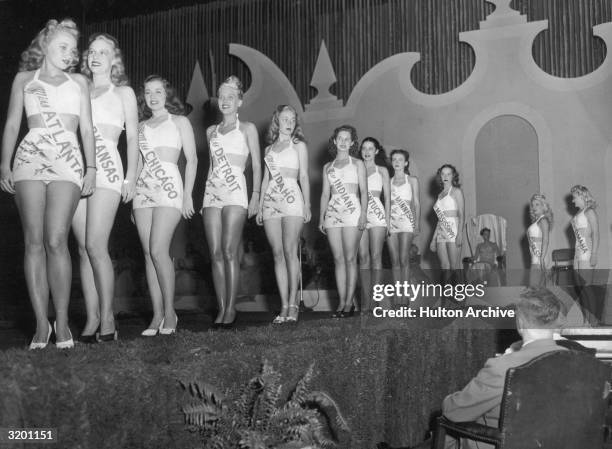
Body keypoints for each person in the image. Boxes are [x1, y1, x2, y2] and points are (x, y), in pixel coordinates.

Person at [0, 19, 96, 349]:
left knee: (56, 239)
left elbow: (86, 130)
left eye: (73, 49)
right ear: (45, 45)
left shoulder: (79, 81)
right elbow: (13, 124)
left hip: (68, 159)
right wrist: (4, 163)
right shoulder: (25, 80)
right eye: (63, 47)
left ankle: (63, 320)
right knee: (33, 241)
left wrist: (92, 167)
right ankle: (42, 324)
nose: (70, 54)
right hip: (28, 159)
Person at [411, 287, 568, 449]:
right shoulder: (577, 361)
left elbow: (453, 411)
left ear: (519, 322)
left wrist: (447, 402)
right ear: (554, 321)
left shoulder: (504, 367)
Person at [71, 33, 138, 343]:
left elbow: (134, 139)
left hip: (108, 170)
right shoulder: (77, 89)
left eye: (103, 52)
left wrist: (132, 177)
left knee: (97, 245)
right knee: (83, 248)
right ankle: (92, 317)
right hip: (76, 171)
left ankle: (109, 317)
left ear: (115, 59)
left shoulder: (122, 92)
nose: (95, 56)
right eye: (92, 51)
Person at [133, 75, 197, 336]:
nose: (153, 96)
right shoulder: (140, 127)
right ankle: (157, 313)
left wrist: (189, 195)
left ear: (166, 94)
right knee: (148, 253)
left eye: (158, 91)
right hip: (143, 191)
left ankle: (170, 312)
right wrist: (132, 192)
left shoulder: (179, 121)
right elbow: (138, 163)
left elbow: (191, 160)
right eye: (148, 92)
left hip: (170, 187)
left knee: (159, 250)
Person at [202, 76, 261, 327]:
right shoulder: (210, 132)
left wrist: (256, 195)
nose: (225, 101)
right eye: (221, 97)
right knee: (215, 253)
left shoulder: (247, 128)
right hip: (212, 193)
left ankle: (232, 308)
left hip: (236, 192)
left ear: (239, 101)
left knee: (229, 250)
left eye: (230, 97)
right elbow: (212, 167)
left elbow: (257, 165)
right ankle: (222, 307)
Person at [256, 105, 310, 324]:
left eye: (292, 119)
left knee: (290, 251)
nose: (289, 122)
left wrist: (307, 205)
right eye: (284, 118)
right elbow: (266, 179)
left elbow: (304, 176)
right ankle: (284, 305)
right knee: (277, 253)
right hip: (271, 201)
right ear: (277, 120)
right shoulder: (268, 150)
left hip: (292, 199)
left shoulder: (298, 145)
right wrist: (260, 206)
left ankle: (294, 302)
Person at [319, 125, 367, 317]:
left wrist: (363, 213)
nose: (344, 141)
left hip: (352, 212)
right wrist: (322, 217)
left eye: (348, 139)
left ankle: (349, 303)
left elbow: (364, 191)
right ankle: (341, 302)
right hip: (332, 213)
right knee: (338, 259)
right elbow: (324, 194)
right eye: (340, 138)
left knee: (349, 258)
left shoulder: (357, 164)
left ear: (353, 143)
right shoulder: (327, 167)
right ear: (334, 140)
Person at [357, 137, 390, 311]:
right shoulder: (355, 168)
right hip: (359, 214)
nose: (367, 151)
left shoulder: (382, 170)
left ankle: (375, 300)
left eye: (371, 148)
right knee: (363, 257)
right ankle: (365, 299)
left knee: (376, 256)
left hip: (377, 214)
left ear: (376, 151)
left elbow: (388, 198)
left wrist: (389, 221)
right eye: (364, 148)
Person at [387, 149, 420, 302]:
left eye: (400, 159)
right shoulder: (388, 181)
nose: (397, 162)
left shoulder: (412, 180)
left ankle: (405, 297)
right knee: (394, 261)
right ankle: (397, 296)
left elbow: (417, 204)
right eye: (394, 159)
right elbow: (386, 204)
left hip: (407, 222)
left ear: (406, 162)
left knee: (404, 259)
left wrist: (417, 224)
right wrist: (386, 223)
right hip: (391, 223)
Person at [570, 185, 600, 325]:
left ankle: (593, 321)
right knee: (581, 290)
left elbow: (596, 233)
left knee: (587, 289)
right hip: (577, 255)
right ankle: (586, 320)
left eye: (574, 197)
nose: (572, 200)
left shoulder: (590, 212)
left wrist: (594, 254)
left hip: (586, 254)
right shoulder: (578, 214)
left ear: (582, 196)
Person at [430, 164, 464, 278]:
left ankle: (459, 294)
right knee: (444, 266)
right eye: (443, 173)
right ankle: (447, 294)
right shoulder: (439, 195)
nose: (445, 176)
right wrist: (433, 239)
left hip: (453, 229)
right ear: (440, 175)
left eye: (448, 174)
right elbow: (440, 220)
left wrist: (460, 233)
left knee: (455, 266)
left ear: (453, 176)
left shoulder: (456, 191)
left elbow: (461, 214)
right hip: (441, 231)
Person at [526, 193, 552, 287]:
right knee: (537, 289)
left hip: (540, 257)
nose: (534, 207)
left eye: (537, 204)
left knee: (535, 288)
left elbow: (545, 240)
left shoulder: (543, 220)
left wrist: (542, 258)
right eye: (532, 205)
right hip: (535, 257)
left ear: (543, 206)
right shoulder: (537, 221)